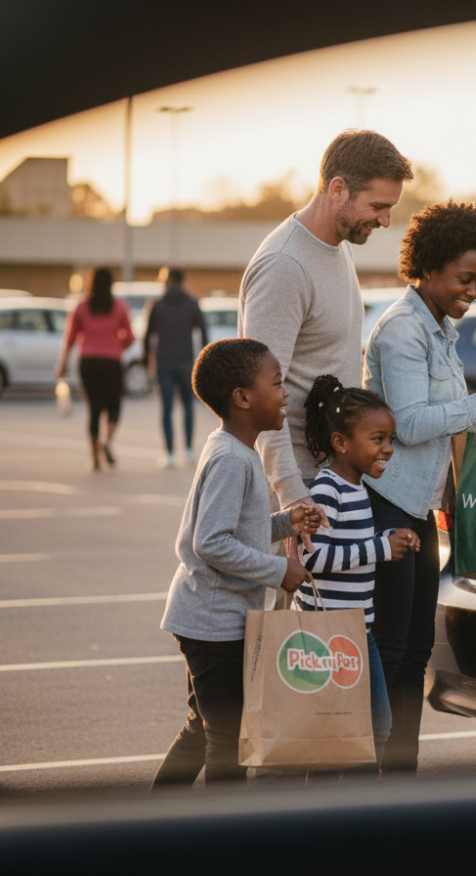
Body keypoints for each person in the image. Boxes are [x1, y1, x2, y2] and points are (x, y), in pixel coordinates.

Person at [362, 200, 476, 771]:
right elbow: (408, 424)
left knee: (415, 653)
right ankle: (378, 776)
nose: (475, 291)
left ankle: (401, 774)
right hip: (387, 506)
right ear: (429, 267)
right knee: (391, 650)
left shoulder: (440, 330)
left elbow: (448, 417)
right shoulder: (402, 331)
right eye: (466, 279)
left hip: (419, 509)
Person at [152, 338, 323, 788]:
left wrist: (286, 522)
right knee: (228, 739)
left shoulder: (235, 450)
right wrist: (279, 571)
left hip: (212, 620)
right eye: (277, 382)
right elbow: (211, 542)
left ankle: (152, 822)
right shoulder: (232, 459)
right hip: (213, 625)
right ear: (243, 398)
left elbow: (236, 530)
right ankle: (225, 838)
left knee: (203, 727)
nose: (285, 393)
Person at [238, 130, 413, 531]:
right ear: (338, 189)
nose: (386, 221)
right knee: (269, 596)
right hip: (285, 490)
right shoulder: (285, 266)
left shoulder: (339, 245)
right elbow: (259, 397)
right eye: (379, 206)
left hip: (322, 477)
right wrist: (293, 499)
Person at [296, 374, 421, 770]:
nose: (388, 449)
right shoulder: (326, 490)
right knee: (339, 730)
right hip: (327, 633)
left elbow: (352, 544)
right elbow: (312, 560)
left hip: (355, 630)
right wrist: (382, 549)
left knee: (375, 725)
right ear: (341, 443)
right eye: (378, 439)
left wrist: (388, 536)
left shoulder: (357, 488)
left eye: (390, 440)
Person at [55, 267, 134, 471]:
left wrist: (62, 363)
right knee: (115, 405)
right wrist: (117, 347)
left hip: (88, 362)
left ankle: (94, 458)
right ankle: (107, 442)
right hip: (112, 362)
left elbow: (70, 338)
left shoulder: (81, 307)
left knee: (94, 409)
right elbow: (130, 337)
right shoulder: (119, 307)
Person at [144, 268, 209, 467]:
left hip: (163, 361)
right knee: (188, 405)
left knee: (167, 407)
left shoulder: (157, 305)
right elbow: (203, 333)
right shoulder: (192, 303)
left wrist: (145, 358)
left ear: (169, 280)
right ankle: (189, 450)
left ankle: (169, 454)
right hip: (186, 361)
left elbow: (148, 336)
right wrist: (205, 358)